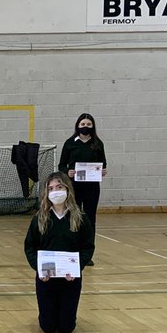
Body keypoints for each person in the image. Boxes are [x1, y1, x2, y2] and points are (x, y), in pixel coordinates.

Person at [23, 173, 94, 333]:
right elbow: (30, 247)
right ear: (46, 193)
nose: (55, 191)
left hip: (70, 278)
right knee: (47, 327)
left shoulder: (80, 218)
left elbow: (88, 247)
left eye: (59, 187)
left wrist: (77, 268)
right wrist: (39, 269)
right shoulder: (39, 218)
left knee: (66, 328)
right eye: (51, 188)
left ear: (67, 189)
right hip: (46, 278)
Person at [58, 113, 107, 265]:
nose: (85, 127)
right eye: (83, 124)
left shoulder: (98, 143)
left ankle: (88, 254)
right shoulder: (70, 143)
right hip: (74, 187)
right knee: (74, 216)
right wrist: (68, 172)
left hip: (92, 187)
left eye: (88, 125)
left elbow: (103, 164)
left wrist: (103, 171)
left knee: (90, 218)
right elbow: (61, 165)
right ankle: (73, 250)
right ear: (78, 125)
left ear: (92, 127)